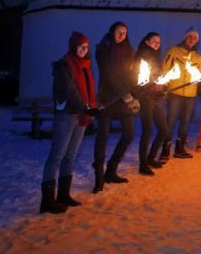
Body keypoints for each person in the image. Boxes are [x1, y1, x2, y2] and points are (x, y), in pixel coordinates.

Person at [40, 31, 97, 214]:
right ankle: (47, 201)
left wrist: (91, 107)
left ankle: (63, 195)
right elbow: (69, 90)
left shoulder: (86, 65)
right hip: (67, 115)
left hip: (81, 115)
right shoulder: (64, 65)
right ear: (73, 47)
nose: (83, 49)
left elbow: (89, 90)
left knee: (70, 156)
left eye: (86, 47)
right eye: (80, 46)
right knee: (57, 155)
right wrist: (85, 108)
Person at [160, 26, 201, 160]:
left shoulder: (197, 57)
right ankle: (165, 148)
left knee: (185, 122)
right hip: (175, 92)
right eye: (190, 36)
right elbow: (165, 69)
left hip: (190, 95)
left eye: (195, 38)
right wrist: (164, 86)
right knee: (170, 121)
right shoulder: (174, 51)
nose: (192, 39)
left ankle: (180, 148)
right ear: (185, 37)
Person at [93, 21, 137, 193]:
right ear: (112, 32)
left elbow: (132, 74)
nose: (121, 35)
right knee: (102, 138)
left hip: (124, 99)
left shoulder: (129, 51)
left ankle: (111, 170)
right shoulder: (103, 49)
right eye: (119, 32)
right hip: (107, 98)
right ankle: (98, 178)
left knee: (128, 134)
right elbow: (108, 73)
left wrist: (135, 91)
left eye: (125, 32)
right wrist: (124, 93)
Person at [136, 32, 170, 175]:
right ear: (147, 42)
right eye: (154, 41)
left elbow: (159, 78)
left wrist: (163, 88)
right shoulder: (142, 57)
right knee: (147, 130)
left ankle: (151, 157)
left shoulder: (157, 57)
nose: (157, 44)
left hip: (156, 98)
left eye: (159, 42)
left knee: (163, 130)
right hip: (146, 98)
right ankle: (143, 164)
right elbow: (140, 79)